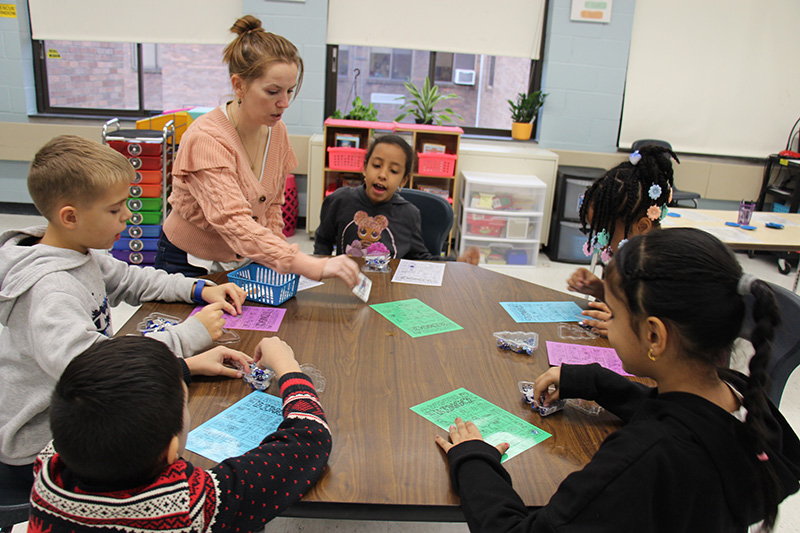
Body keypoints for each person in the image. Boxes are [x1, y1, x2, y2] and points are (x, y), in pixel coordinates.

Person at [436, 228, 800, 532]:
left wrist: (473, 458)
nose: (605, 322)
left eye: (614, 312)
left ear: (654, 337)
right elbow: (685, 416)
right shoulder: (741, 395)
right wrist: (593, 381)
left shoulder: (642, 459)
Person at [0, 134, 248, 483]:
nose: (127, 216)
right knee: (173, 448)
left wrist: (197, 288)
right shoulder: (50, 291)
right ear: (69, 217)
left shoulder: (78, 249)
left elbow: (131, 280)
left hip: (83, 409)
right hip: (44, 445)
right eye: (115, 210)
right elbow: (96, 370)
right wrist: (188, 339)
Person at [29, 335, 331, 532]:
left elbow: (105, 399)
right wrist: (288, 367)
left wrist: (184, 368)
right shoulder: (190, 505)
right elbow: (309, 439)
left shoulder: (48, 466)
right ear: (172, 449)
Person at [155, 14, 359, 288]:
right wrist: (308, 264)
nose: (284, 102)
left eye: (290, 90)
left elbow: (273, 205)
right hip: (187, 262)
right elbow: (234, 223)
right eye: (273, 91)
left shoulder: (277, 130)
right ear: (239, 85)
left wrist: (275, 255)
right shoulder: (206, 139)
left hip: (243, 257)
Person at [566, 144, 678, 336]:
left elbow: (661, 336)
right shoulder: (626, 262)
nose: (604, 243)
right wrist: (602, 291)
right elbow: (628, 305)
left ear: (642, 227)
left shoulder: (666, 272)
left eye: (607, 234)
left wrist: (623, 331)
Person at [314, 134, 479, 263]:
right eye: (376, 166)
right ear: (365, 168)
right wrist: (320, 270)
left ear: (404, 180)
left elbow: (420, 258)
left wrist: (456, 261)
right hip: (347, 286)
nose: (383, 175)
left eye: (393, 171)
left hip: (388, 292)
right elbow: (323, 240)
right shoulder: (339, 200)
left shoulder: (409, 214)